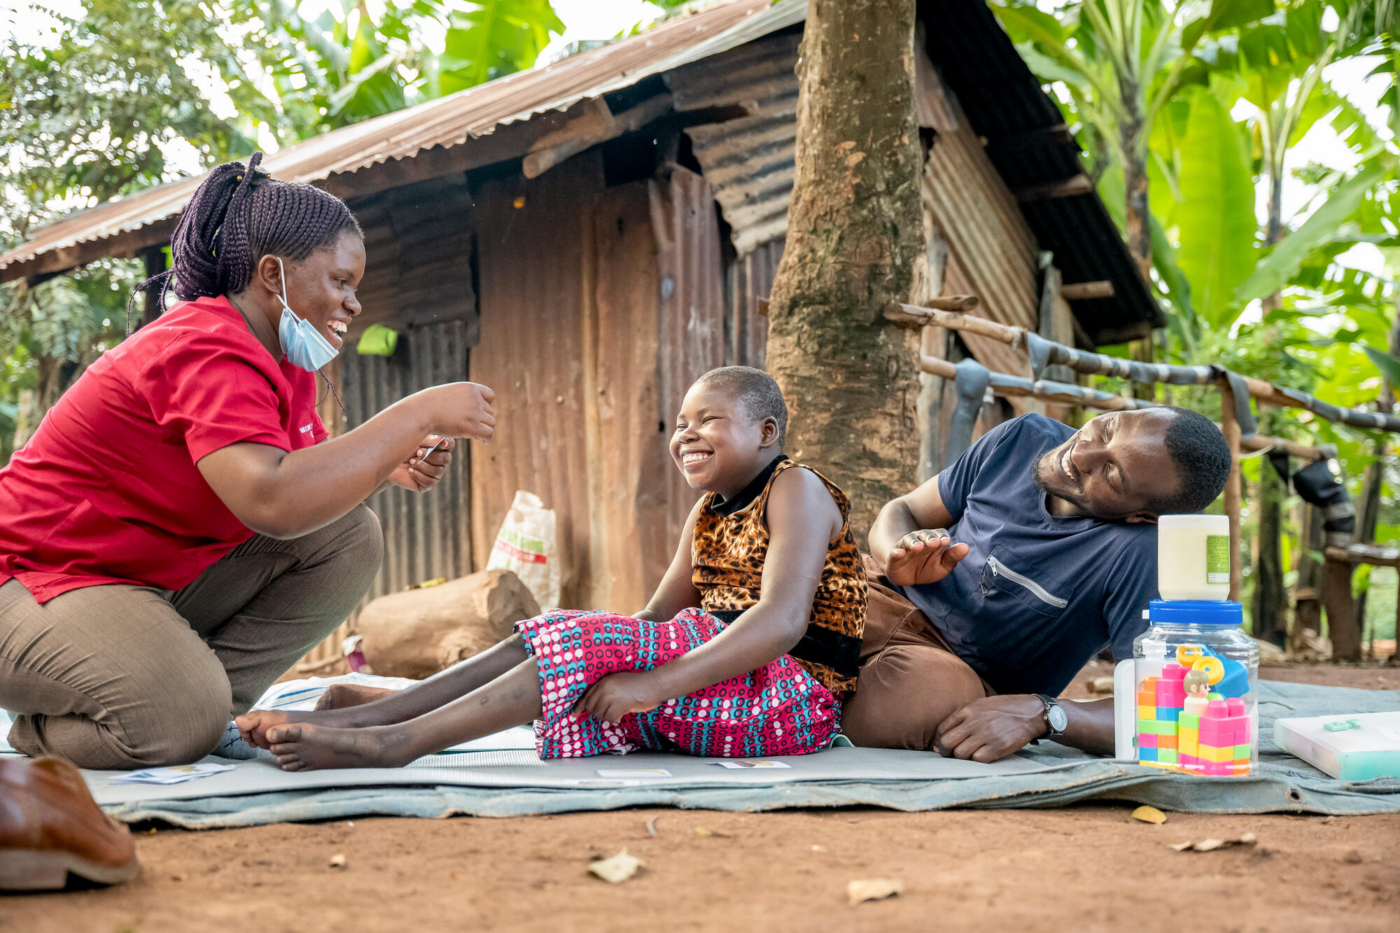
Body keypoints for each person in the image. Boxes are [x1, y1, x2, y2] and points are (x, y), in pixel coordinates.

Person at [0, 153, 496, 769]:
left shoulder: (283, 363)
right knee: (174, 716)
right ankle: (59, 729)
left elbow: (301, 477)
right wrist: (415, 415)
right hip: (27, 580)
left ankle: (208, 711)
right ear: (272, 273)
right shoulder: (203, 345)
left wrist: (385, 463)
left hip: (122, 582)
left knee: (345, 535)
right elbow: (273, 500)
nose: (354, 304)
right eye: (341, 282)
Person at [235, 367, 868, 770]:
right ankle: (365, 719)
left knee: (584, 642)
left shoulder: (797, 488)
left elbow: (781, 623)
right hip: (723, 676)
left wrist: (650, 684)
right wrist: (605, 646)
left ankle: (394, 741)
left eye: (708, 419)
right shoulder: (707, 512)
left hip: (791, 697)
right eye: (680, 423)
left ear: (765, 431)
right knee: (567, 629)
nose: (686, 434)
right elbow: (652, 619)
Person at [842, 408, 1232, 761]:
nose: (1081, 454)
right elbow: (904, 509)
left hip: (951, 671)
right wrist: (897, 554)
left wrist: (1045, 712)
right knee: (803, 584)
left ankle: (794, 710)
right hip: (877, 593)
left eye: (1112, 473)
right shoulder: (1021, 437)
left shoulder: (1141, 555)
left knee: (923, 699)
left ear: (1140, 516)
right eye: (1109, 427)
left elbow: (1170, 711)